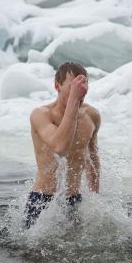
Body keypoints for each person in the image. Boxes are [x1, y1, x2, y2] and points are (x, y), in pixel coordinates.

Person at [25, 62, 101, 228]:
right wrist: (74, 100)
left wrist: (95, 198)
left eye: (82, 86)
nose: (79, 92)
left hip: (73, 199)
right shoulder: (41, 115)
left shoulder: (92, 116)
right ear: (57, 86)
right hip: (43, 199)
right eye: (72, 87)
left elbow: (92, 159)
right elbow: (60, 147)